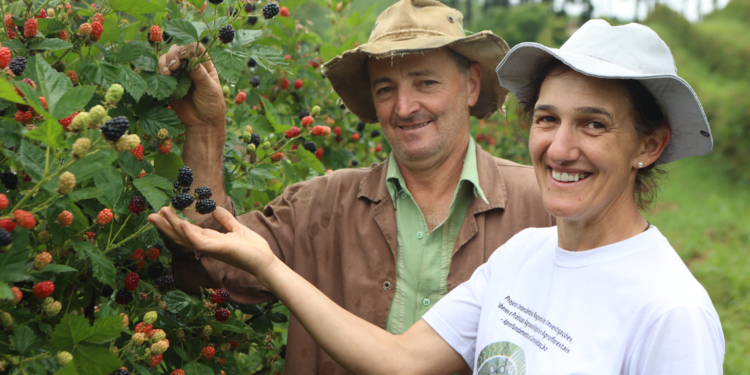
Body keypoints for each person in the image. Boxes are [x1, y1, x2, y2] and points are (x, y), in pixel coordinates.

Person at [150, 19, 725, 374]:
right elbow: (399, 360)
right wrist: (205, 136)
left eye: (594, 125)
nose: (561, 147)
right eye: (547, 118)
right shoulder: (525, 254)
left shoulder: (667, 308)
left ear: (648, 146)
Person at [154, 0, 552, 373]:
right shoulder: (320, 205)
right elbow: (212, 261)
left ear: (471, 85)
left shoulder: (543, 209)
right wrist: (205, 131)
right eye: (385, 89)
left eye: (426, 83)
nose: (404, 107)